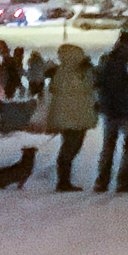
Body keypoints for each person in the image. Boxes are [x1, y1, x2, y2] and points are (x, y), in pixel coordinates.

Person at [93, 31, 128, 192]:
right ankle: (123, 180)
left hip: (110, 109)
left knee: (108, 146)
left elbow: (98, 82)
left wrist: (102, 102)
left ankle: (102, 180)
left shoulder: (107, 60)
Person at [45, 43, 96, 191]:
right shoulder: (81, 72)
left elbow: (54, 89)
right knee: (72, 147)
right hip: (78, 115)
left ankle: (63, 180)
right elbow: (88, 89)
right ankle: (63, 181)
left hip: (66, 116)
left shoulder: (60, 72)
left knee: (68, 146)